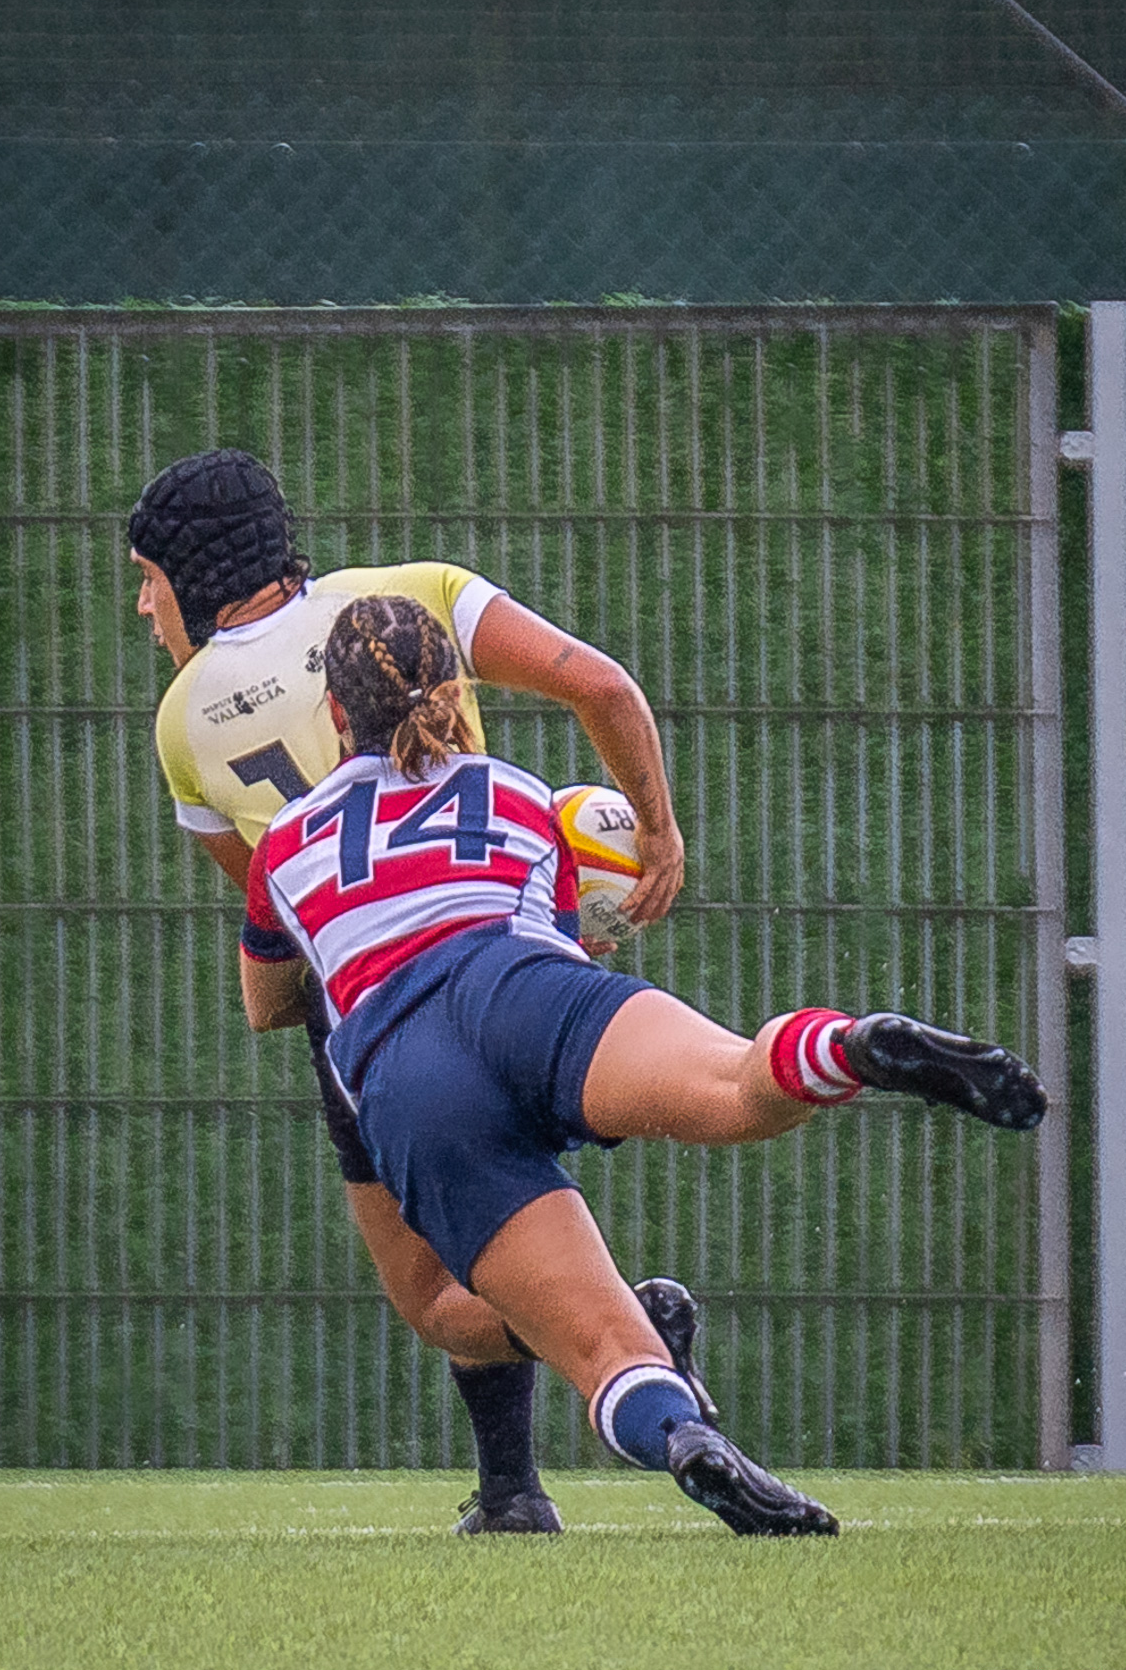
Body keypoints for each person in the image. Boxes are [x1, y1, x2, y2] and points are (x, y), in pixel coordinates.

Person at [239, 594, 1047, 1537]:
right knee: (738, 1085)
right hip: (526, 985)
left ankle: (681, 1438)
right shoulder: (518, 793)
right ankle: (851, 1045)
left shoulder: (285, 846)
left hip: (409, 1071)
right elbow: (568, 936)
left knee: (602, 1351)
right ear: (454, 691)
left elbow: (268, 1007)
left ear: (335, 714)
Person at [128, 447, 692, 1533]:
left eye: (148, 576)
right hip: (506, 955)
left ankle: (523, 1476)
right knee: (504, 1207)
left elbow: (287, 926)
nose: (143, 604)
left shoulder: (184, 718)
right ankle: (559, 1429)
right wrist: (652, 839)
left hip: (367, 1014)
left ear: (197, 575)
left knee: (443, 1293)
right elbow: (600, 684)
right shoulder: (410, 596)